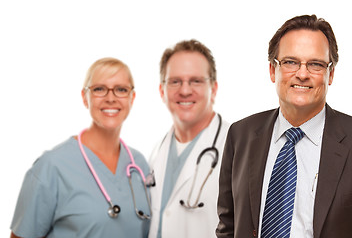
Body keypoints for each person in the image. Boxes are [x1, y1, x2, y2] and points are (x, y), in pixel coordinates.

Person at [216, 14, 352, 238]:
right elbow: (228, 226)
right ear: (272, 70)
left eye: (316, 64)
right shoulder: (241, 135)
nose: (302, 74)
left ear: (331, 74)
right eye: (290, 62)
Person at [10, 58, 151, 237]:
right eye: (99, 89)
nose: (110, 98)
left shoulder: (139, 165)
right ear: (85, 98)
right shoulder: (52, 166)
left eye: (121, 90)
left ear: (132, 98)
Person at [148, 39, 230, 238]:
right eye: (175, 81)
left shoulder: (237, 147)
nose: (185, 90)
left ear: (214, 89)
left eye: (196, 81)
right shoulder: (157, 151)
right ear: (162, 91)